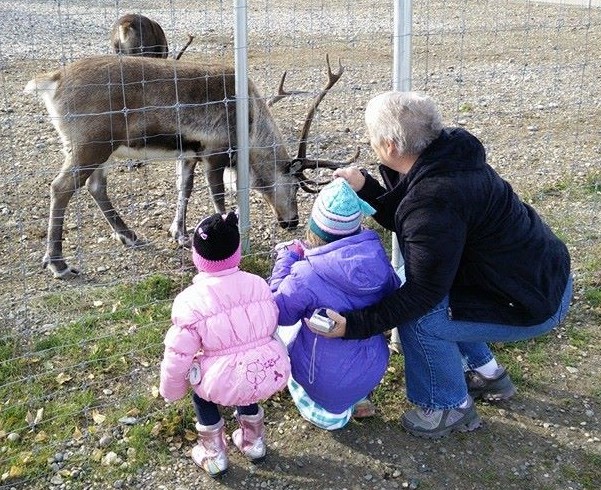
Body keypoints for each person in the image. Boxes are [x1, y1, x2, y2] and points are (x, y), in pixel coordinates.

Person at [318, 91, 572, 439]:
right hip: (537, 279)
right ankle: (486, 372)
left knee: (420, 321)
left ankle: (448, 406)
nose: (370, 142)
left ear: (390, 145)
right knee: (432, 294)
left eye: (371, 136)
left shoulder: (435, 198)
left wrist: (354, 325)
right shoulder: (450, 157)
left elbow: (422, 289)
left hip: (533, 302)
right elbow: (418, 226)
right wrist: (367, 188)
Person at [159, 211, 291, 477]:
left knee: (201, 392)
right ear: (237, 253)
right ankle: (254, 443)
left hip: (221, 379)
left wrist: (172, 390)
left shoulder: (189, 301)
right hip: (267, 369)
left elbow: (178, 353)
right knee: (247, 384)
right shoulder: (257, 284)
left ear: (197, 257)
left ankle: (214, 454)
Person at [269, 178, 402, 430]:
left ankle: (329, 411)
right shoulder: (378, 259)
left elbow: (280, 312)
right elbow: (392, 290)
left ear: (315, 229)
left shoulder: (305, 274)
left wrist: (286, 261)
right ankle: (358, 398)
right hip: (372, 369)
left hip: (326, 383)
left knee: (285, 330)